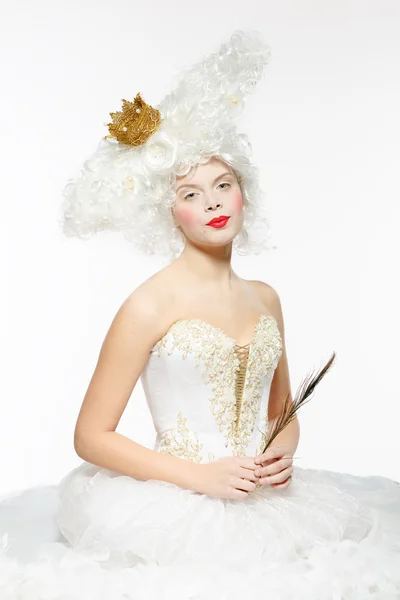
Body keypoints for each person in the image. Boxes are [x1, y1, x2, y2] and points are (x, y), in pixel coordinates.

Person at [1, 30, 399, 600]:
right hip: (176, 507)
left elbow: (282, 409)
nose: (211, 202)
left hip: (272, 506)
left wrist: (281, 453)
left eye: (223, 185)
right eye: (190, 193)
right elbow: (90, 436)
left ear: (244, 193)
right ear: (168, 214)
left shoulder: (266, 297)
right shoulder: (148, 304)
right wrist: (202, 478)